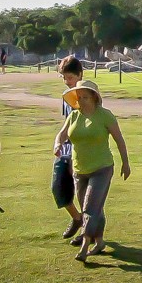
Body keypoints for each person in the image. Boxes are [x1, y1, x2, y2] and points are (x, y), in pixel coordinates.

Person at [53, 78, 130, 263]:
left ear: (94, 97)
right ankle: (100, 241)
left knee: (89, 207)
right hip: (79, 170)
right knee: (95, 208)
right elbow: (62, 134)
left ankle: (85, 245)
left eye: (85, 97)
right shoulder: (74, 115)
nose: (81, 100)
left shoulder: (105, 116)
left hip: (102, 167)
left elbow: (119, 140)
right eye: (79, 97)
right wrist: (57, 144)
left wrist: (125, 163)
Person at [52, 55, 86, 238]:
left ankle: (87, 230)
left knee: (82, 191)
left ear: (80, 75)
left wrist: (76, 155)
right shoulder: (66, 97)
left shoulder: (87, 96)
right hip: (65, 148)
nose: (67, 82)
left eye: (70, 78)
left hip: (80, 150)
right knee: (58, 186)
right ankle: (77, 218)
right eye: (64, 78)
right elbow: (67, 124)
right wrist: (59, 142)